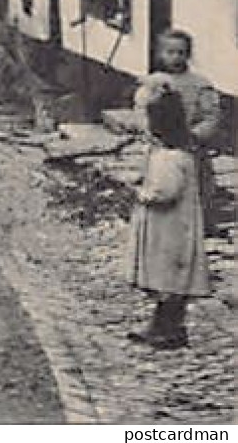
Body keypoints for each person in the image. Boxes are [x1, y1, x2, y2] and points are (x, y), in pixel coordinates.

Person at [126, 91, 210, 349]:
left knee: (169, 277)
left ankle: (169, 329)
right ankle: (165, 326)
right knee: (171, 278)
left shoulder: (171, 158)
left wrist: (142, 194)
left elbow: (166, 192)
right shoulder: (172, 152)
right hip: (174, 226)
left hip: (171, 228)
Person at [134, 30, 227, 236]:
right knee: (162, 187)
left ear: (188, 55)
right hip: (161, 148)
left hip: (191, 148)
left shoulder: (200, 84)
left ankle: (198, 229)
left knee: (196, 189)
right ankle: (162, 230)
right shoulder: (153, 83)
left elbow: (211, 116)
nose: (175, 57)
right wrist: (150, 132)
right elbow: (141, 111)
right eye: (170, 52)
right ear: (160, 54)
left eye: (181, 52)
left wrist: (194, 136)